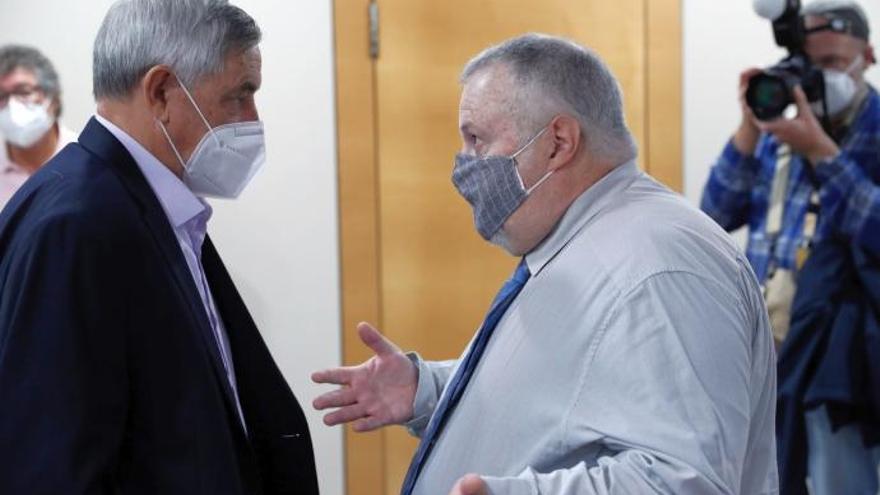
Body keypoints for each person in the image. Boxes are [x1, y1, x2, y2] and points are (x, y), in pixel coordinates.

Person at [313, 33, 778, 495]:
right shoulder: (579, 241)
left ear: (558, 142)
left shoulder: (658, 269)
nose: (463, 166)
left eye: (477, 140)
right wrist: (429, 391)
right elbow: (564, 400)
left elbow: (682, 482)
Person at [0, 1, 318, 494]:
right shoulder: (77, 227)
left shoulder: (145, 207)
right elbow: (52, 467)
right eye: (240, 95)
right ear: (162, 91)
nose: (252, 118)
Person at [700, 1, 879, 493]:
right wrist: (748, 127)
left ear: (867, 55)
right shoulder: (777, 134)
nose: (818, 80)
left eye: (833, 64)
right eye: (809, 67)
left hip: (843, 363)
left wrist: (822, 152)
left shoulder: (873, 128)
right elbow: (713, 216)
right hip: (768, 351)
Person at [0, 44, 76, 210]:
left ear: (53, 99)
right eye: (2, 96)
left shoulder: (86, 160)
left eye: (24, 92)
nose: (12, 106)